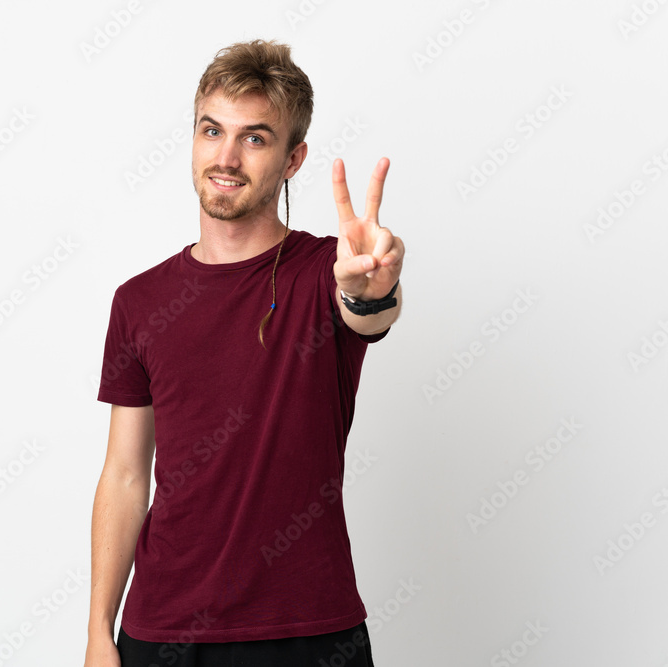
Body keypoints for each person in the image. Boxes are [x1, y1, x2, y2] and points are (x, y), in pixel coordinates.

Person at [85, 38, 405, 667]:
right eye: (212, 131)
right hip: (163, 632)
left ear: (293, 159)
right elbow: (125, 473)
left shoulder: (326, 271)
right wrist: (99, 629)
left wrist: (370, 290)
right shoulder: (139, 302)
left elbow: (368, 312)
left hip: (308, 631)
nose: (226, 157)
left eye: (255, 138)